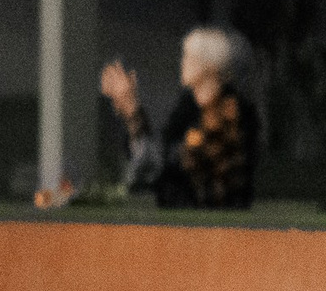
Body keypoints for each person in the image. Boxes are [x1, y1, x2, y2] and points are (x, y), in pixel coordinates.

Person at [102, 27, 260, 210]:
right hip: (180, 217)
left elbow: (174, 166)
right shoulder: (187, 110)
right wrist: (131, 110)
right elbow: (153, 163)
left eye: (189, 57)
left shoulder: (232, 112)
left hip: (217, 222)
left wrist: (132, 110)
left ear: (209, 66)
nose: (183, 63)